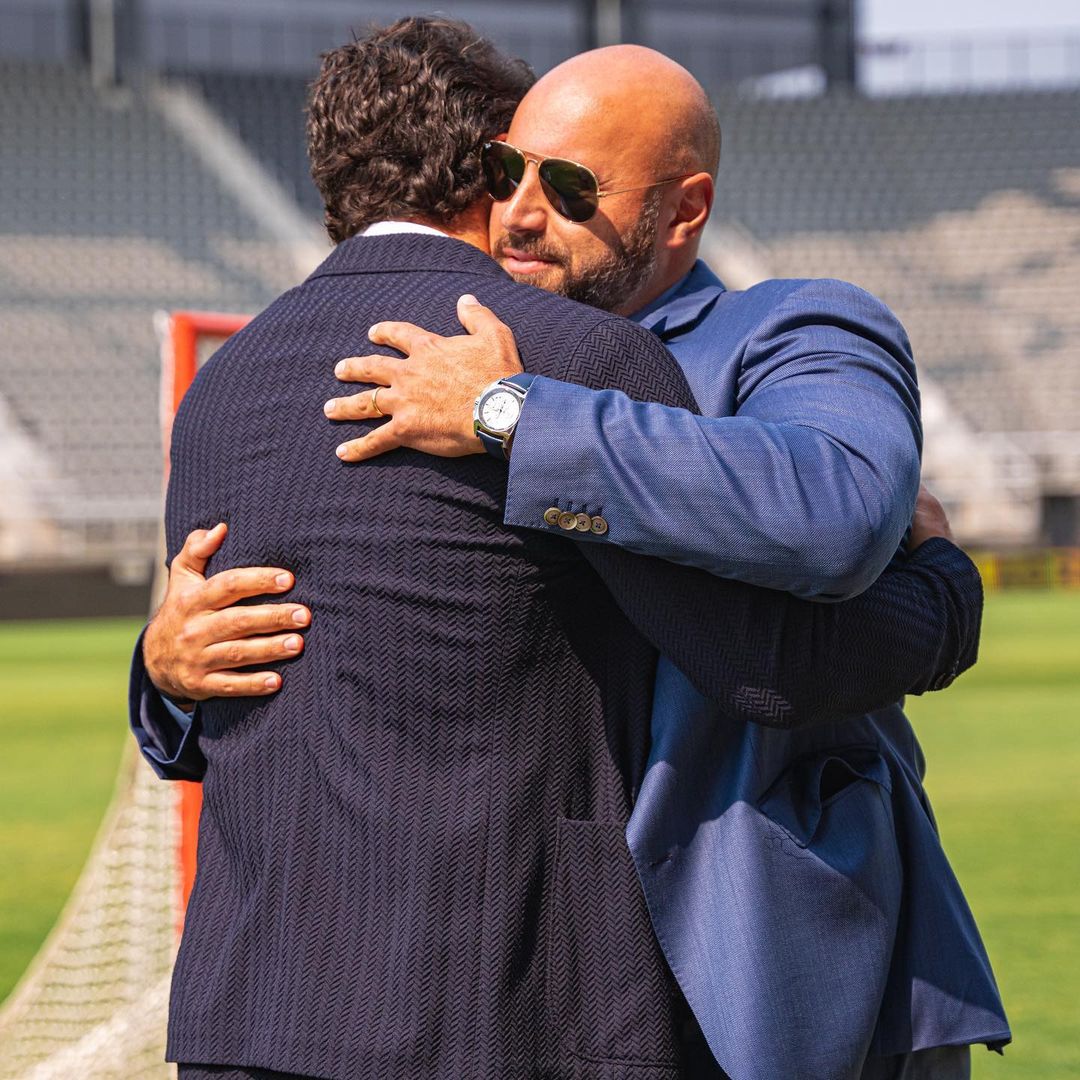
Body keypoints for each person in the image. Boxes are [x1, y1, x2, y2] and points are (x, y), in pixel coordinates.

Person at [131, 25, 1007, 1080]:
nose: (519, 212)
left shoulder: (791, 328)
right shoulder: (447, 359)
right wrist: (165, 668)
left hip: (784, 963)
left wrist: (514, 414)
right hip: (545, 976)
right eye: (506, 171)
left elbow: (836, 522)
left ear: (683, 209)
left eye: (572, 188)